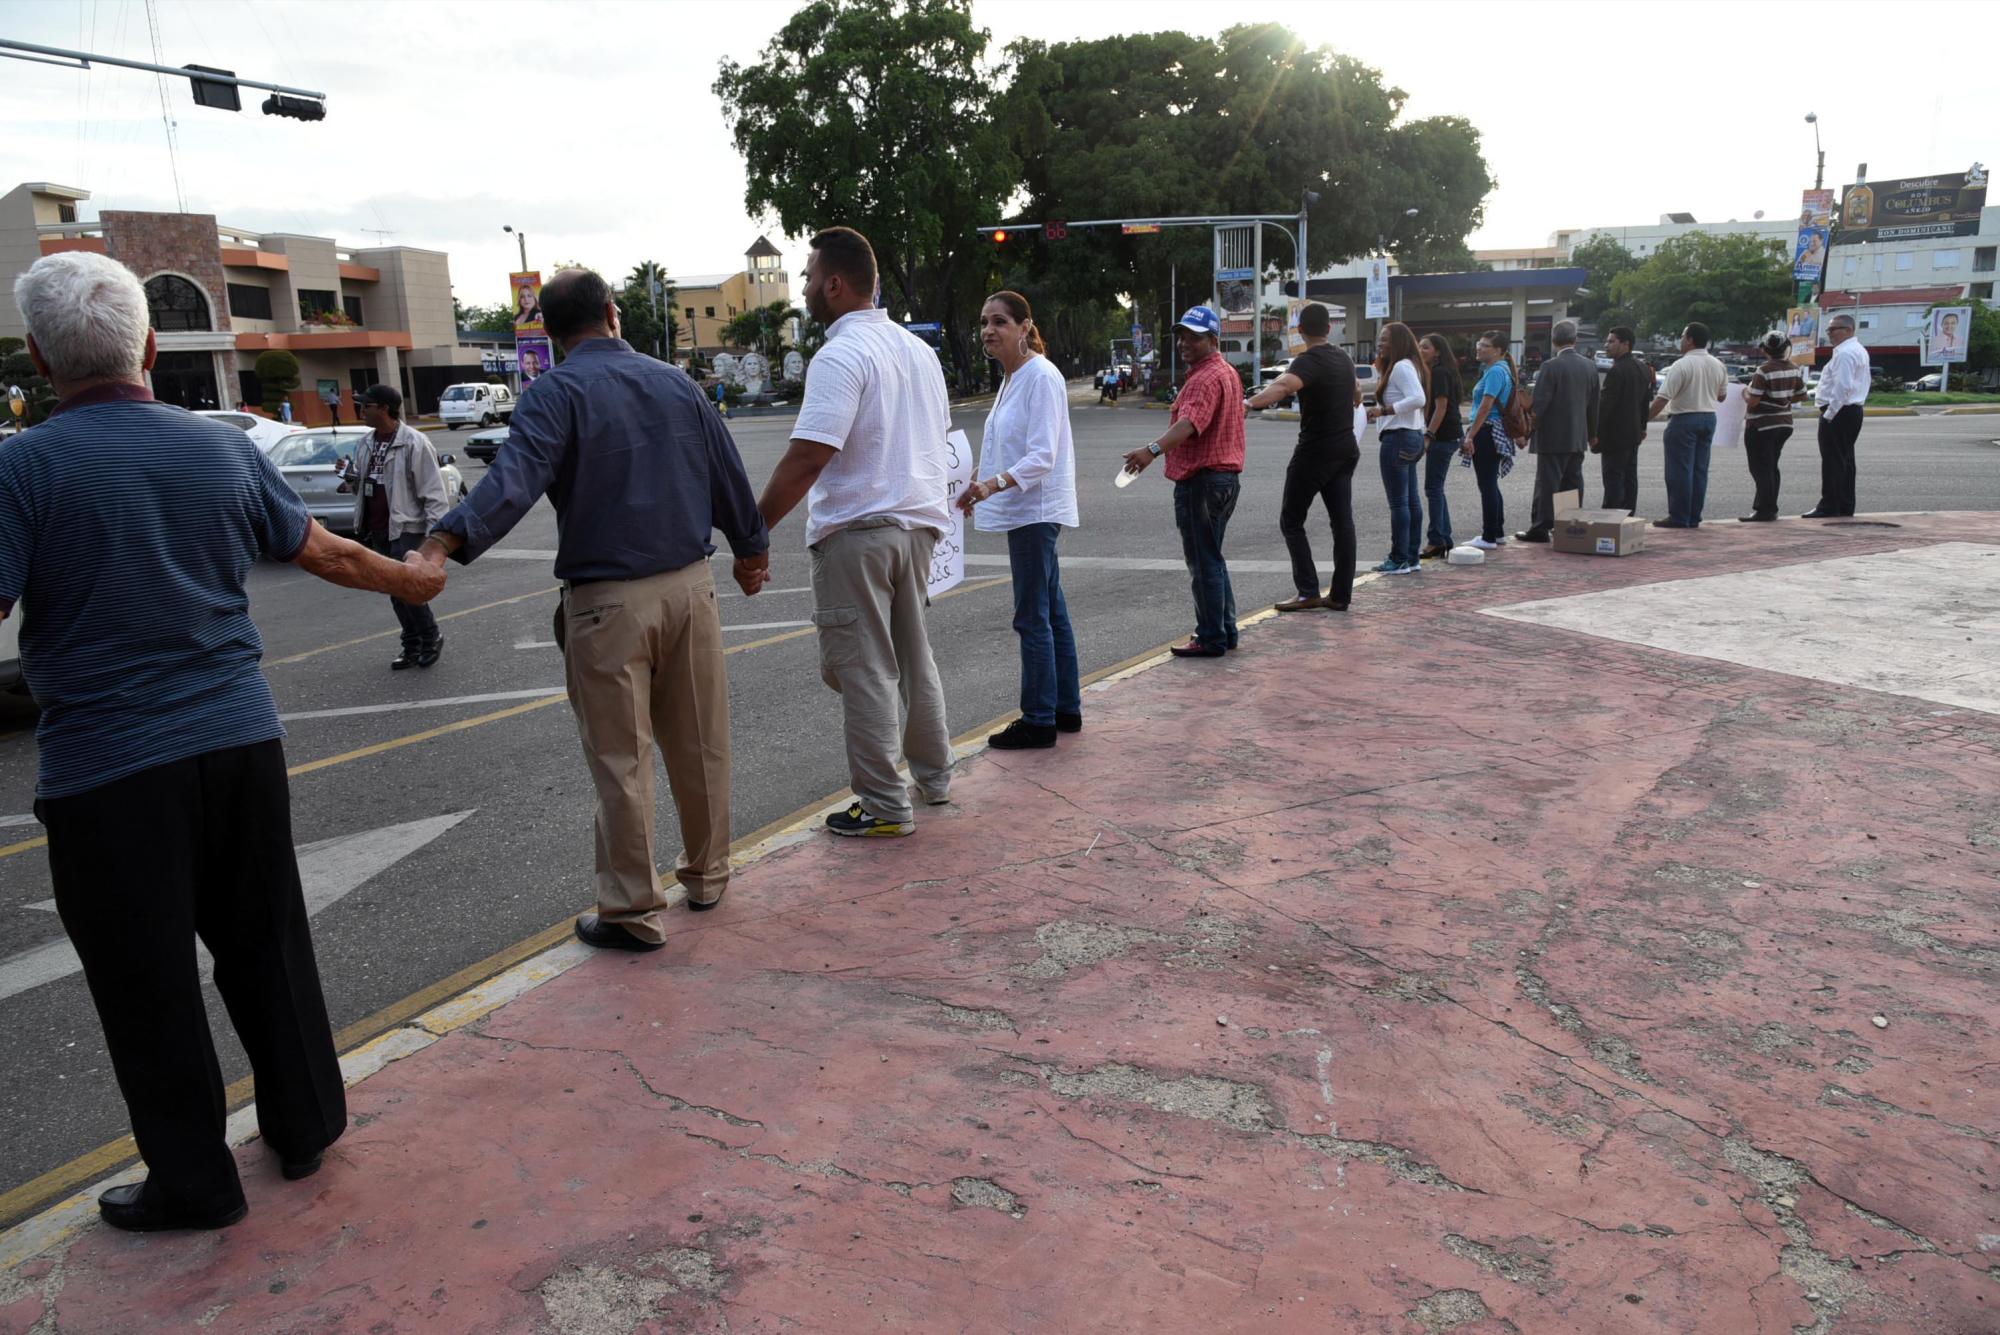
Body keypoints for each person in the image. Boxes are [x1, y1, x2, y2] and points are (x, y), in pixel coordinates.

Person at [0, 251, 445, 1232]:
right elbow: (319, 550)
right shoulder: (220, 450)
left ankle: (196, 1181)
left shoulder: (20, 469)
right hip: (239, 743)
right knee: (265, 944)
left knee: (144, 979)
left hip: (108, 774)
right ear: (151, 347)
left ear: (39, 357)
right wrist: (411, 581)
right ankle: (305, 1123)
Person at [416, 267, 770, 947]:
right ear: (613, 312)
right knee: (701, 742)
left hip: (608, 603)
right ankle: (708, 874)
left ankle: (634, 910)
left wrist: (440, 543)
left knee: (621, 759)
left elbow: (512, 482)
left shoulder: (555, 392)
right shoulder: (676, 382)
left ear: (550, 334)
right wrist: (751, 550)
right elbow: (727, 472)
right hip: (690, 589)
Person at [754, 227, 954, 836]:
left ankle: (885, 807)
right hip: (917, 528)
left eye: (811, 277)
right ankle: (934, 778)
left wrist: (752, 531)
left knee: (863, 668)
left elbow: (809, 456)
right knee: (914, 659)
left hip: (858, 533)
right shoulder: (918, 351)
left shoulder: (841, 355)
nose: (807, 288)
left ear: (835, 285)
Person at [957, 290, 1080, 750]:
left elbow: (1042, 455)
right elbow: (1003, 448)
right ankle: (1064, 709)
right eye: (985, 322)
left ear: (1025, 327)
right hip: (1024, 508)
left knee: (1032, 617)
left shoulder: (1041, 376)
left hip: (1035, 510)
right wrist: (975, 482)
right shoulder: (1012, 378)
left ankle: (1039, 718)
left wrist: (991, 486)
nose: (989, 330)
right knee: (1051, 613)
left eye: (1000, 322)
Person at [1120, 306, 1245, 656]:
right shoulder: (1226, 372)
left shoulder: (1205, 378)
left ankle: (1211, 637)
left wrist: (1151, 450)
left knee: (1203, 561)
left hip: (1203, 482)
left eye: (1194, 337)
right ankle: (1224, 630)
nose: (1184, 343)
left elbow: (1189, 424)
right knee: (1213, 558)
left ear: (1213, 340)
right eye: (1182, 336)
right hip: (1223, 480)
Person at [1247, 302, 1357, 611]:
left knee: (1291, 520)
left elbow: (1283, 387)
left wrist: (1247, 404)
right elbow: (1358, 393)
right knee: (1342, 523)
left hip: (1315, 451)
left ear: (1300, 330)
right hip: (1346, 449)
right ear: (1328, 328)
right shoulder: (1344, 359)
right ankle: (1340, 595)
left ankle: (1308, 590)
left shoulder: (1308, 361)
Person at [348, 384, 449, 668]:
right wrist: (351, 479)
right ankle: (412, 645)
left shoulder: (414, 443)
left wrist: (435, 538)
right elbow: (369, 483)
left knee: (407, 589)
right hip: (378, 526)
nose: (361, 410)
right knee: (393, 589)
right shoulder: (367, 442)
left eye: (366, 406)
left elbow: (433, 493)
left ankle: (430, 637)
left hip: (407, 527)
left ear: (383, 409)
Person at [1515, 320, 1598, 543]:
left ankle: (1540, 527)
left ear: (1553, 340)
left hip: (1552, 436)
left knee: (1548, 483)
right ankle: (1570, 526)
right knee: (1572, 482)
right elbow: (1593, 403)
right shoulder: (1589, 366)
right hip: (1577, 435)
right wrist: (1592, 433)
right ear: (1575, 339)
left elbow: (1540, 404)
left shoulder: (1550, 367)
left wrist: (1529, 429)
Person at [1646, 322, 1729, 528]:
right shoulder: (1718, 364)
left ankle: (1679, 516)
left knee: (1680, 471)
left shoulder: (1681, 365)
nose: (1681, 340)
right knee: (1700, 470)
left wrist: (1643, 419)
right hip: (1709, 418)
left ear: (1690, 340)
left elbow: (1662, 399)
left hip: (1684, 419)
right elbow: (1722, 396)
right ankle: (1694, 516)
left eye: (1683, 336)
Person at [1365, 322, 1428, 572]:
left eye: (1385, 339)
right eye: (1380, 339)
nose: (1380, 344)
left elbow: (1418, 398)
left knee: (1399, 503)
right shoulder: (1409, 365)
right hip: (1411, 435)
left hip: (1398, 437)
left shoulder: (1402, 367)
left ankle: (1399, 557)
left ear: (1399, 342)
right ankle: (1410, 557)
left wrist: (1385, 410)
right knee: (1410, 501)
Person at [1457, 331, 1521, 550]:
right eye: (1479, 343)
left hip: (1487, 431)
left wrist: (1470, 435)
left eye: (1485, 345)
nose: (1479, 348)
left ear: (1498, 351)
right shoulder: (1500, 369)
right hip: (1492, 432)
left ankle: (1489, 536)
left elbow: (1485, 406)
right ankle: (1497, 532)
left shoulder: (1495, 371)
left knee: (1487, 485)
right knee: (1490, 484)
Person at [1805, 312, 1870, 518]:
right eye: (1829, 330)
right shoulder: (1856, 350)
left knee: (1833, 460)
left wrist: (1829, 414)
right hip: (1850, 411)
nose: (1830, 333)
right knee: (1845, 459)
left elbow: (1842, 386)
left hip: (1840, 411)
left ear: (1849, 330)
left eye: (1834, 329)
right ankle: (1844, 504)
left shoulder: (1845, 353)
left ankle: (1829, 505)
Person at [1739, 332, 1803, 522]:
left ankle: (1765, 510)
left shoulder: (1764, 370)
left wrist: (1745, 393)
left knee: (1760, 469)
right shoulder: (1794, 368)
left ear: (1765, 349)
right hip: (1784, 424)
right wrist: (1783, 399)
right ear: (1786, 348)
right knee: (1771, 467)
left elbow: (1754, 401)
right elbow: (1802, 395)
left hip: (1762, 425)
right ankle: (1769, 507)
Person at [1596, 326, 1651, 514]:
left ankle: (1611, 519)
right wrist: (1643, 427)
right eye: (1607, 341)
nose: (1607, 345)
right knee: (1629, 479)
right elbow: (1645, 403)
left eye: (1612, 341)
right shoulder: (1643, 368)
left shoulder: (1617, 371)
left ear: (1626, 344)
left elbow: (1605, 408)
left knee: (1613, 479)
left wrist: (1595, 434)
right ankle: (1628, 518)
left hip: (1615, 437)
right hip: (1634, 434)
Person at [1418, 333, 1462, 558]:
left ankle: (1436, 540)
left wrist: (1429, 435)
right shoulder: (1437, 371)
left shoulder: (1439, 372)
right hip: (1447, 436)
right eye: (1420, 346)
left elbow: (1441, 407)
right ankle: (1443, 537)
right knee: (1436, 488)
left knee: (1433, 488)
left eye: (1425, 347)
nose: (1421, 350)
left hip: (1443, 437)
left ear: (1437, 351)